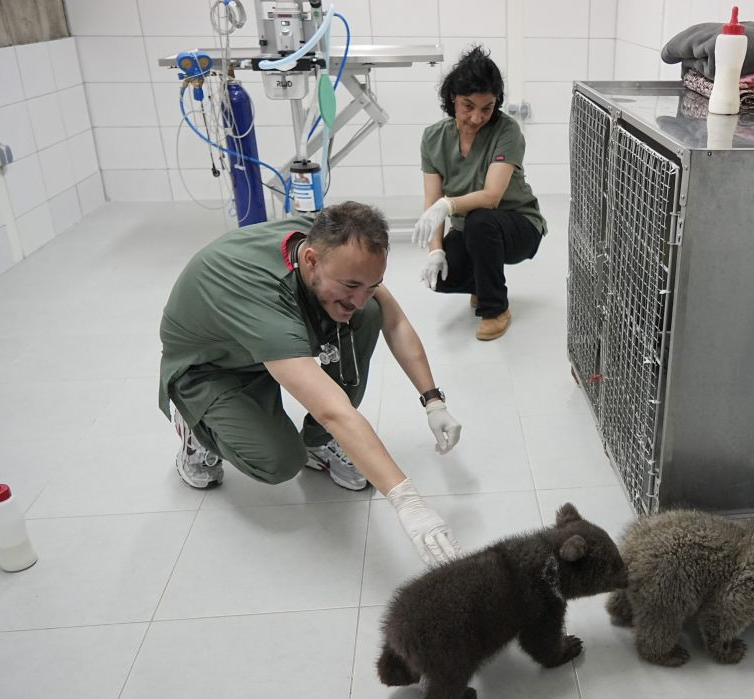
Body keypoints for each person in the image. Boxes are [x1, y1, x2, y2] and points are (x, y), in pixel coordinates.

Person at [158, 202, 462, 566]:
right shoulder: (262, 293)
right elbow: (333, 411)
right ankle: (196, 428)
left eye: (371, 285)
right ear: (311, 260)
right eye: (351, 286)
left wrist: (433, 401)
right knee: (280, 461)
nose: (359, 297)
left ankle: (320, 443)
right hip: (212, 367)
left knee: (369, 313)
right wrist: (407, 501)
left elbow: (394, 321)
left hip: (263, 341)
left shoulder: (330, 237)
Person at [413, 45, 547, 341]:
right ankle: (484, 284)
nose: (476, 117)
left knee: (480, 220)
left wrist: (447, 205)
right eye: (468, 106)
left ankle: (495, 309)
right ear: (453, 98)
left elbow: (491, 197)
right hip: (473, 229)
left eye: (487, 108)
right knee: (442, 277)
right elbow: (432, 201)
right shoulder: (433, 138)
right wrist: (435, 250)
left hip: (518, 225)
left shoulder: (507, 131)